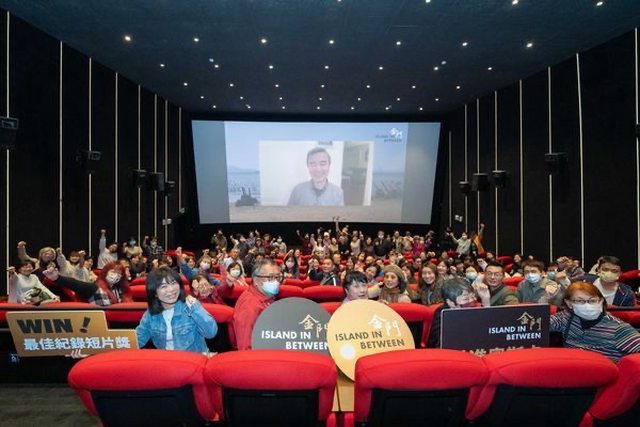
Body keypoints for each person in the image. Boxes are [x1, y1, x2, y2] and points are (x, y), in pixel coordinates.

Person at [550, 282, 640, 363]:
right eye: (580, 301)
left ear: (601, 301)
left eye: (592, 301)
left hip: (604, 372)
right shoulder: (565, 317)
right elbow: (544, 325)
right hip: (573, 368)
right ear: (569, 303)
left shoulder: (619, 329)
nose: (587, 305)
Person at [136, 266, 218, 353]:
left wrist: (195, 308)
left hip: (195, 358)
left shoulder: (190, 306)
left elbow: (211, 332)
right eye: (164, 286)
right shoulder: (150, 314)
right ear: (154, 292)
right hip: (169, 360)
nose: (171, 289)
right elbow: (138, 340)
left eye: (173, 283)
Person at [232, 259, 281, 350]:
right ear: (256, 280)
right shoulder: (249, 305)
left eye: (277, 277)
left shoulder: (267, 296)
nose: (276, 281)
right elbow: (245, 348)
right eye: (270, 277)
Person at [427, 277, 489, 348]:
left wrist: (486, 301)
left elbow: (488, 331)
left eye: (473, 297)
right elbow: (441, 344)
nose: (471, 301)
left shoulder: (474, 309)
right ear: (450, 303)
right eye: (466, 299)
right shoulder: (442, 314)